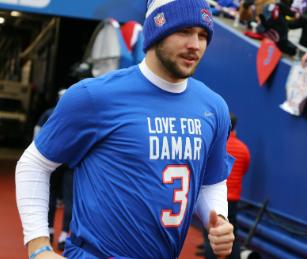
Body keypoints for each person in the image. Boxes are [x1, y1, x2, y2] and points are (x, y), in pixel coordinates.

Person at [16, 1, 235, 258]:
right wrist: (38, 246)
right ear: (158, 31)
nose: (195, 45)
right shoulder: (95, 96)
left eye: (202, 35)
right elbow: (34, 163)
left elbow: (211, 180)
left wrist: (217, 218)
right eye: (184, 31)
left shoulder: (213, 106)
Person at [203, 113, 251, 259]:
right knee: (231, 235)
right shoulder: (243, 149)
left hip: (213, 199)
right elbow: (244, 169)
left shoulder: (213, 146)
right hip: (233, 199)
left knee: (211, 234)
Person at [34, 89, 73, 252]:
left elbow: (37, 135)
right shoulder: (78, 114)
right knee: (70, 199)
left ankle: (49, 230)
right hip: (70, 162)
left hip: (52, 160)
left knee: (50, 195)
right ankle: (64, 234)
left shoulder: (48, 113)